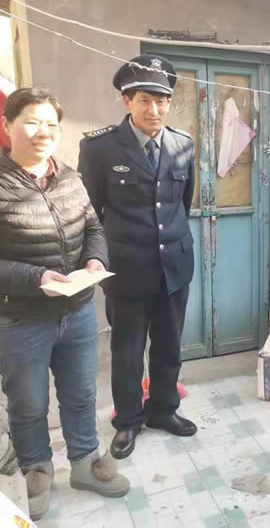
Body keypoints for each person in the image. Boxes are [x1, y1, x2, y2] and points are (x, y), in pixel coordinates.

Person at [0, 88, 130, 521]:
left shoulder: (69, 177)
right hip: (20, 319)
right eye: (32, 122)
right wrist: (36, 279)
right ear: (7, 125)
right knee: (28, 402)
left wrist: (95, 259)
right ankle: (36, 469)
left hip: (77, 312)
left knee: (81, 394)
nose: (44, 132)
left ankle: (85, 462)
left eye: (51, 124)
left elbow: (93, 227)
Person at [78, 54, 197, 460]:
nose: (154, 110)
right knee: (127, 350)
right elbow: (90, 215)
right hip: (127, 271)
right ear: (127, 101)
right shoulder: (99, 148)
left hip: (174, 267)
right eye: (145, 100)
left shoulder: (183, 144)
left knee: (169, 344)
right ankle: (128, 420)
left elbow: (182, 204)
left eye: (162, 101)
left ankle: (164, 409)